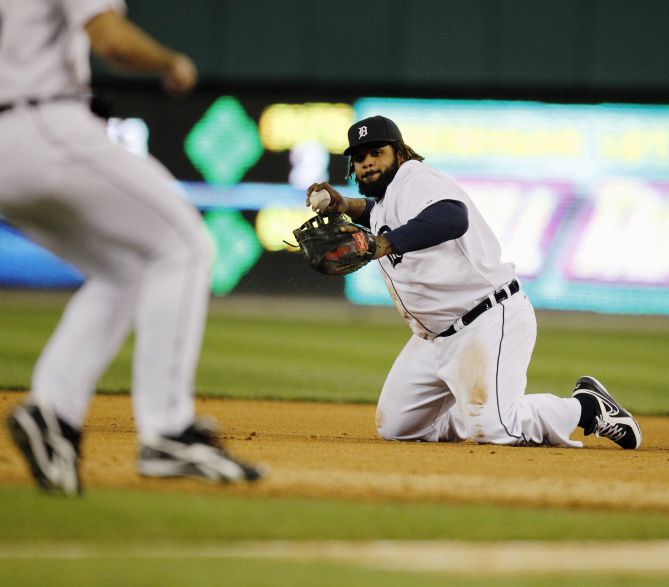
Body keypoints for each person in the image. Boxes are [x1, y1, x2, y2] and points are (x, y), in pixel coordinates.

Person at [1, 0, 263, 495]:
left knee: (124, 272)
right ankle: (167, 432)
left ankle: (52, 414)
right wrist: (170, 62)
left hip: (9, 146)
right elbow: (109, 39)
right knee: (185, 245)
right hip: (44, 121)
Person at [307, 115, 642, 450]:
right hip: (433, 339)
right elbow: (378, 213)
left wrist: (382, 244)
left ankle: (587, 408)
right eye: (360, 157)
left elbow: (452, 216)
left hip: (486, 318)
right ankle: (476, 410)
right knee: (397, 426)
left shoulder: (414, 179)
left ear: (399, 153)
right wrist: (344, 204)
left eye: (376, 152)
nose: (367, 162)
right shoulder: (388, 198)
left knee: (496, 430)